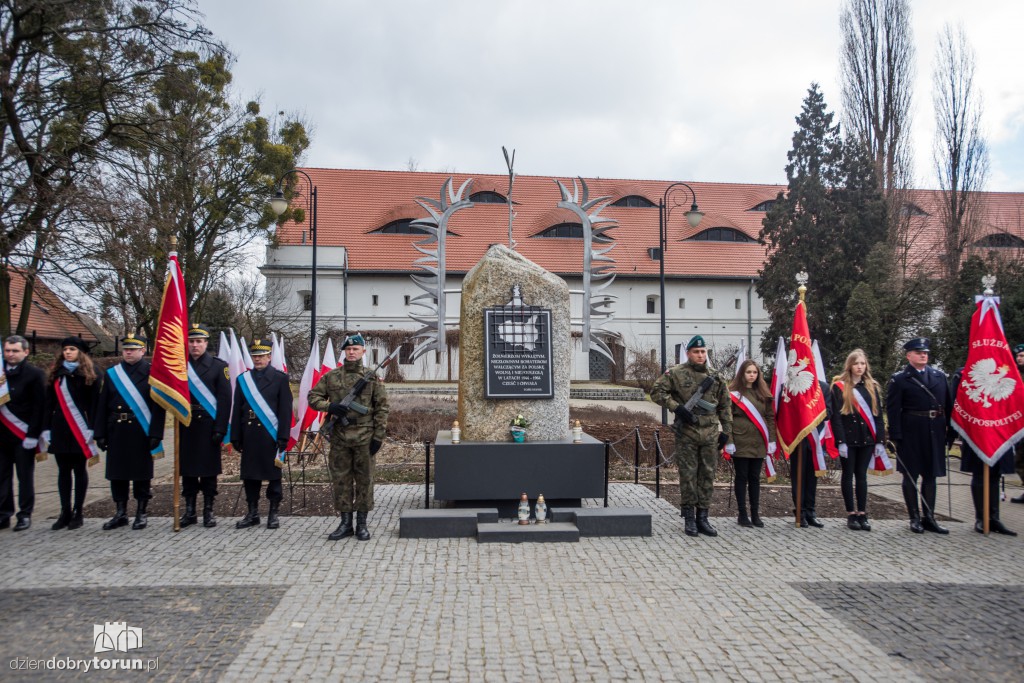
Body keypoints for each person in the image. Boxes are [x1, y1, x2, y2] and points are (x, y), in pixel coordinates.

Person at [308, 333, 390, 541]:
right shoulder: (331, 377)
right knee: (341, 480)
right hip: (340, 438)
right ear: (344, 351)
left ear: (363, 351)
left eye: (356, 349)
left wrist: (378, 437)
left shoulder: (371, 377)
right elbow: (313, 397)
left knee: (364, 481)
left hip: (364, 437)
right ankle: (345, 524)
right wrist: (331, 406)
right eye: (348, 349)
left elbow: (382, 408)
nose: (352, 352)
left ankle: (361, 524)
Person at [651, 335, 731, 537]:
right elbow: (657, 392)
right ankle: (689, 518)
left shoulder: (716, 376)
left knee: (707, 475)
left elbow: (725, 405)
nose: (700, 355)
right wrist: (677, 408)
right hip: (687, 431)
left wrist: (726, 432)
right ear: (689, 353)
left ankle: (703, 517)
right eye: (696, 352)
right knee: (688, 475)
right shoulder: (676, 373)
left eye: (703, 351)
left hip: (710, 431)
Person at [93, 335, 165, 531]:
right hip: (116, 429)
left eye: (134, 349)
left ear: (143, 351)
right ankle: (120, 512)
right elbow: (102, 405)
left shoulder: (152, 373)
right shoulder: (112, 374)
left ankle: (141, 512)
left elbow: (159, 407)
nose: (129, 352)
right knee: (117, 474)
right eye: (126, 349)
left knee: (141, 474)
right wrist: (99, 433)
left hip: (140, 430)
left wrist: (157, 434)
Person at [886, 337, 952, 534]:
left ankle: (929, 517)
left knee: (931, 475)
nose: (923, 355)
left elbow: (948, 406)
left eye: (925, 352)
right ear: (908, 356)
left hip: (935, 431)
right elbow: (893, 409)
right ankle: (914, 517)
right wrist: (896, 436)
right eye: (918, 352)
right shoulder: (900, 379)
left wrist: (950, 432)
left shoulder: (939, 377)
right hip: (911, 431)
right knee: (910, 475)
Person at [230, 338, 292, 530]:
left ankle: (273, 513)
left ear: (269, 356)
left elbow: (285, 410)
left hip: (271, 436)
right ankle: (252, 513)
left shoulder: (280, 378)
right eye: (255, 356)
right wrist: (236, 436)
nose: (258, 359)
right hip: (249, 436)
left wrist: (283, 437)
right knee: (250, 477)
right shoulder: (243, 380)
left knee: (273, 477)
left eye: (262, 356)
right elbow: (237, 409)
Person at [42, 337, 101, 530]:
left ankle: (79, 511)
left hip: (80, 427)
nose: (68, 352)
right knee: (63, 471)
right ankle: (64, 511)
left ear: (80, 353)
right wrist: (46, 428)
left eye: (72, 349)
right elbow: (48, 404)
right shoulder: (55, 374)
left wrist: (93, 428)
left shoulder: (90, 374)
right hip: (60, 427)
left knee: (79, 469)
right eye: (65, 349)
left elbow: (94, 404)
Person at [951, 366, 1017, 536]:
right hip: (976, 430)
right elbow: (954, 402)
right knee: (980, 475)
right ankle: (981, 518)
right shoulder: (963, 374)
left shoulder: (1009, 371)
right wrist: (950, 435)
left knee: (995, 475)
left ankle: (994, 518)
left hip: (999, 431)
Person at [179, 324, 231, 528]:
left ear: (206, 343)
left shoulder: (219, 366)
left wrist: (220, 428)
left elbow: (225, 399)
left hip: (208, 425)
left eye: (199, 341)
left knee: (209, 471)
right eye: (191, 341)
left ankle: (208, 510)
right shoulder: (180, 365)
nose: (194, 345)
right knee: (188, 471)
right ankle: (189, 510)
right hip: (186, 424)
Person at [830, 349, 886, 531]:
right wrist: (841, 441)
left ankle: (862, 513)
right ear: (850, 366)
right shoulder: (839, 387)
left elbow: (877, 415)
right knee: (848, 475)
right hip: (848, 438)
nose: (860, 367)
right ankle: (850, 514)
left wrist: (880, 441)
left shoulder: (871, 386)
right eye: (856, 363)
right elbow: (836, 418)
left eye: (862, 363)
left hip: (866, 438)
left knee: (861, 476)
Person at [0, 335, 46, 531]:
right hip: (1, 435)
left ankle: (25, 513)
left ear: (25, 352)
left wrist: (33, 435)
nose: (10, 355)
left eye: (15, 351)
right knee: (2, 477)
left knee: (24, 476)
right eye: (8, 351)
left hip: (23, 434)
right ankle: (3, 514)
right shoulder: (1, 374)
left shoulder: (34, 374)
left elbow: (40, 407)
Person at [724, 359, 776, 528]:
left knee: (755, 478)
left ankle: (755, 513)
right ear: (742, 374)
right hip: (740, 439)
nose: (752, 375)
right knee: (742, 477)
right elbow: (727, 418)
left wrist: (772, 439)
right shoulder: (733, 393)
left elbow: (770, 417)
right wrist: (729, 441)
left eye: (754, 372)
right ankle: (742, 513)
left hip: (758, 441)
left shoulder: (763, 393)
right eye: (748, 372)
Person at [790, 378, 838, 528]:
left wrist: (811, 413)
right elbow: (787, 411)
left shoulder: (823, 387)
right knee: (798, 476)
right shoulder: (793, 386)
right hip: (798, 439)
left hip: (816, 439)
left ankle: (811, 511)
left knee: (812, 476)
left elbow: (829, 412)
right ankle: (800, 511)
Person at [1013, 343, 1024, 504]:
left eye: (1022, 355)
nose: (1019, 358)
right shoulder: (1015, 374)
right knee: (1020, 460)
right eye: (1018, 356)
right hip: (1018, 423)